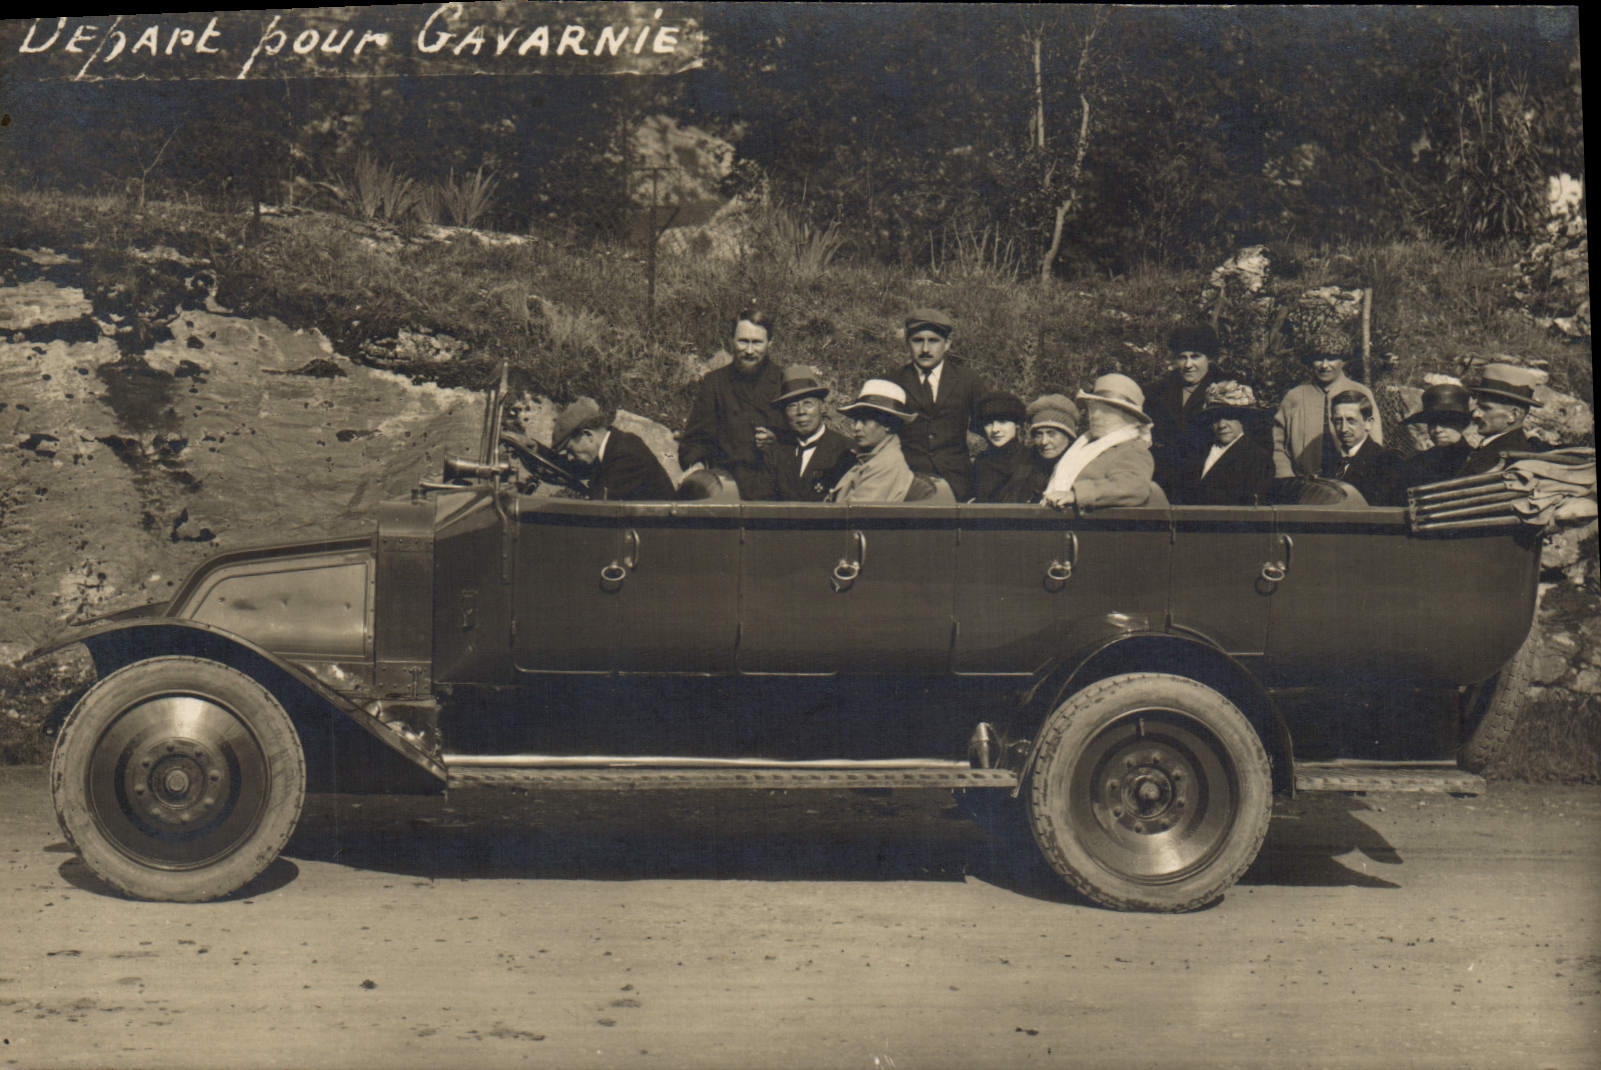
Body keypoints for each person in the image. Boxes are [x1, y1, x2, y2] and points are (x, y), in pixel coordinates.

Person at [679, 309, 786, 500]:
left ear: (770, 343)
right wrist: (697, 465)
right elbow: (693, 440)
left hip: (777, 488)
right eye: (743, 341)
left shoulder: (783, 382)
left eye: (757, 342)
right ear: (731, 341)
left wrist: (776, 440)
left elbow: (805, 439)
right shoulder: (715, 383)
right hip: (727, 488)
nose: (749, 350)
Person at [889, 307, 988, 501]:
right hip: (906, 482)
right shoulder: (893, 382)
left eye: (933, 341)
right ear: (908, 343)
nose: (925, 349)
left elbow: (990, 426)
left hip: (957, 483)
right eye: (918, 341)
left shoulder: (968, 380)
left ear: (947, 343)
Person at [1272, 338, 1382, 479]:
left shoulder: (1360, 392)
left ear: (1343, 360)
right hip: (1304, 486)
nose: (1324, 365)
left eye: (1331, 358)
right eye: (1318, 358)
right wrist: (1286, 478)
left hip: (1354, 483)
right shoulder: (1295, 397)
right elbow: (1278, 445)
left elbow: (1375, 441)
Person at [1043, 374, 1155, 510]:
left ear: (1128, 417)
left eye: (1105, 411)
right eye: (1093, 409)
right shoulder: (1083, 446)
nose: (1094, 416)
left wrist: (1076, 495)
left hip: (1097, 529)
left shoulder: (1132, 449)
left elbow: (1133, 487)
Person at [1145, 324, 1222, 495]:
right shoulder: (1156, 393)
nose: (1188, 365)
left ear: (1209, 358)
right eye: (1182, 357)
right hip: (1164, 482)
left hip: (1209, 483)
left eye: (1195, 356)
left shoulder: (1227, 388)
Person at [552, 397, 675, 501]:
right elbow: (570, 468)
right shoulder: (612, 448)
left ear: (588, 435)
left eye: (570, 450)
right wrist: (538, 450)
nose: (570, 457)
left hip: (655, 527)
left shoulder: (626, 456)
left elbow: (599, 505)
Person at [1175, 381, 1276, 506]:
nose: (1222, 425)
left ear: (1242, 419)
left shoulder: (1257, 458)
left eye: (1228, 417)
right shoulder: (1199, 451)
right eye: (1216, 418)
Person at [766, 365, 855, 502]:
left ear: (822, 407)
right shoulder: (777, 451)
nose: (801, 412)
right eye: (792, 406)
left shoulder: (846, 451)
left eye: (808, 403)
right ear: (784, 414)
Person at [825, 380, 917, 504]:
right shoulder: (871, 458)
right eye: (856, 420)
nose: (856, 427)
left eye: (864, 421)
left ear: (887, 424)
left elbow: (856, 515)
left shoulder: (886, 464)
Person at [1459, 363, 1543, 477]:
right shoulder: (1503, 447)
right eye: (1478, 407)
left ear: (1513, 415)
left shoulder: (1505, 456)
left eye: (1486, 408)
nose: (1476, 414)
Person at [994, 395, 1079, 503]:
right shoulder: (1023, 466)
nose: (1044, 441)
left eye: (1051, 434)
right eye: (1039, 435)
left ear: (1069, 435)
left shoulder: (1082, 466)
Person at [1328, 390, 1402, 505]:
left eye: (1351, 420)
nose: (1343, 429)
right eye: (1338, 421)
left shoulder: (1387, 462)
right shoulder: (1330, 463)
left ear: (1368, 423)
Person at [1399, 383, 1474, 490]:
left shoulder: (1475, 461)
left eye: (1445, 422)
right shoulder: (1418, 463)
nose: (1438, 430)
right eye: (1432, 422)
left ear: (1462, 423)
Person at [968, 391, 1029, 502]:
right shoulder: (981, 462)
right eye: (988, 423)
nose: (995, 429)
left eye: (1002, 421)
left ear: (1017, 425)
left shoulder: (1031, 459)